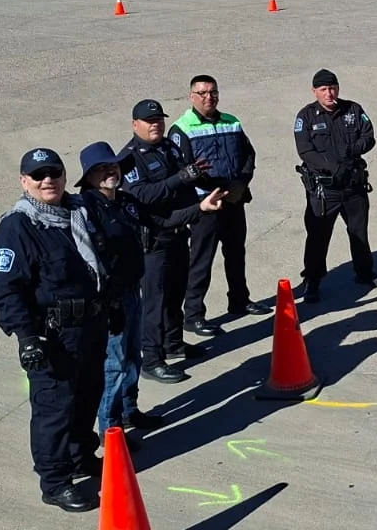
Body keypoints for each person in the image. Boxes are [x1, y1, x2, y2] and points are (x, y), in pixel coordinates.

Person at [75, 142, 226, 439]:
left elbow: (160, 221)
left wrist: (200, 208)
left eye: (114, 165)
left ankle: (130, 411)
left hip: (132, 293)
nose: (110, 171)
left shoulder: (126, 201)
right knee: (114, 365)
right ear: (89, 175)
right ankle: (111, 430)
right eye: (102, 168)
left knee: (133, 359)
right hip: (108, 301)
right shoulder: (84, 209)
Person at [0, 148, 108, 512]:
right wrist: (26, 339)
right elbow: (8, 290)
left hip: (89, 326)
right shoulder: (18, 226)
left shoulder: (80, 213)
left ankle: (80, 456)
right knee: (54, 408)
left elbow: (100, 264)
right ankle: (55, 481)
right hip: (51, 335)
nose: (48, 181)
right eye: (38, 175)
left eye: (54, 173)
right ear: (24, 181)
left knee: (88, 396)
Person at [120, 99, 211, 383]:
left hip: (177, 232)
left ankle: (173, 344)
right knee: (155, 302)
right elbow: (142, 195)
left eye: (159, 119)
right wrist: (181, 179)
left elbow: (186, 178)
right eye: (149, 120)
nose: (156, 124)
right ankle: (152, 358)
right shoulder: (129, 158)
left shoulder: (169, 147)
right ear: (135, 125)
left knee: (175, 293)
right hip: (153, 241)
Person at [170, 75, 267, 337]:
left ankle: (239, 300)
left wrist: (240, 183)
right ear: (192, 97)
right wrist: (218, 189)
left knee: (236, 253)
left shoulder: (231, 122)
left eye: (212, 92)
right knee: (201, 261)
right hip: (206, 205)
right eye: (201, 93)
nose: (208, 97)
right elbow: (184, 168)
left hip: (234, 200)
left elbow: (248, 154)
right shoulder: (181, 129)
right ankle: (193, 316)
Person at [294, 69, 377, 302]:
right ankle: (313, 280)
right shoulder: (306, 117)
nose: (330, 93)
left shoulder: (353, 110)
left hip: (353, 186)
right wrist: (332, 166)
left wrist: (351, 150)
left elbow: (368, 137)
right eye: (324, 89)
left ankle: (365, 272)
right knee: (318, 236)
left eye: (333, 88)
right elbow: (306, 151)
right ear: (314, 91)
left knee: (359, 232)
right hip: (325, 189)